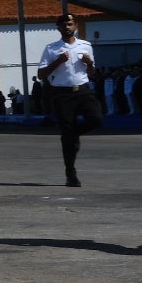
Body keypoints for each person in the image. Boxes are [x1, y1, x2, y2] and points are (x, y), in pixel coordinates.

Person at [37, 14, 102, 187]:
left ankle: (74, 133)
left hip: (83, 90)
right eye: (64, 25)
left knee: (96, 119)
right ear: (58, 28)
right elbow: (41, 74)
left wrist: (89, 64)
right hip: (62, 93)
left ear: (76, 26)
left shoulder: (85, 46)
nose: (67, 27)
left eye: (70, 24)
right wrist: (58, 61)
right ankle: (70, 172)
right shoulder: (52, 48)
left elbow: (91, 73)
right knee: (67, 133)